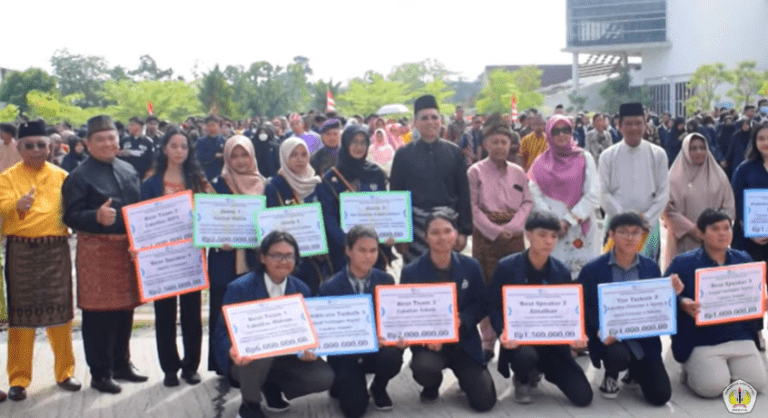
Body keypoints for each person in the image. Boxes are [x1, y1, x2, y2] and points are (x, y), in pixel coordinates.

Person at [62, 115, 147, 394]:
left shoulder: (127, 168)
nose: (108, 143)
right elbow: (70, 216)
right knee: (99, 315)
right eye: (100, 139)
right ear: (87, 143)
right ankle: (100, 373)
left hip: (126, 249)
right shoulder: (78, 176)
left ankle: (122, 364)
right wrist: (95, 217)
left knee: (125, 310)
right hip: (97, 251)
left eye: (112, 138)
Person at [0, 120, 81, 401]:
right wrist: (15, 205)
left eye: (41, 145)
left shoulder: (62, 176)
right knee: (21, 319)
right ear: (19, 148)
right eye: (30, 145)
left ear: (50, 147)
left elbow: (74, 208)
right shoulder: (8, 177)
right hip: (21, 250)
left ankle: (65, 372)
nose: (36, 150)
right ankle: (19, 378)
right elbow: (2, 204)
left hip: (55, 250)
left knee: (61, 314)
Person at [213, 231, 335, 418]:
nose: (284, 261)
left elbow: (308, 330)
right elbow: (221, 333)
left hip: (286, 358)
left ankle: (271, 387)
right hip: (248, 362)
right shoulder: (240, 288)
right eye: (277, 255)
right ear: (262, 257)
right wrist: (231, 350)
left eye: (289, 256)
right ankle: (250, 405)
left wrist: (308, 348)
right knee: (259, 352)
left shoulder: (301, 289)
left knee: (323, 377)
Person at [489, 211, 592, 406]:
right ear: (528, 235)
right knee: (525, 356)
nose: (548, 241)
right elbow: (493, 306)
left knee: (583, 397)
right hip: (521, 344)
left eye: (553, 236)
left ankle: (543, 370)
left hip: (553, 344)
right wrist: (502, 332)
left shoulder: (561, 271)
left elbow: (568, 312)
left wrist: (577, 335)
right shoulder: (506, 267)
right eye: (542, 235)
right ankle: (523, 377)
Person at [578, 212, 682, 405]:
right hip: (610, 341)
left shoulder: (650, 267)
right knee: (617, 355)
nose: (630, 237)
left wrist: (672, 293)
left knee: (660, 396)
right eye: (623, 232)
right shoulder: (592, 270)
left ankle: (634, 372)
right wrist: (598, 331)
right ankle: (611, 375)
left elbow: (657, 306)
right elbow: (585, 308)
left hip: (642, 340)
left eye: (635, 233)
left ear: (643, 235)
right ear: (611, 234)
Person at [665, 209, 768, 398]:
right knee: (711, 388)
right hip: (701, 338)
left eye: (726, 228)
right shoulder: (683, 263)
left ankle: (724, 370)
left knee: (756, 384)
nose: (722, 233)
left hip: (738, 335)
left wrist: (760, 302)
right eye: (715, 229)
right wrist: (681, 301)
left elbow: (754, 294)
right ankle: (689, 371)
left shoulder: (743, 259)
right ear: (700, 233)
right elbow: (662, 295)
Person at [401, 211, 496, 412]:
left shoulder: (471, 266)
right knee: (424, 368)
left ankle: (465, 378)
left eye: (447, 231)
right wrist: (425, 337)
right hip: (431, 346)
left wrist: (462, 319)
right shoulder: (411, 271)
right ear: (426, 237)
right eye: (435, 232)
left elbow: (481, 303)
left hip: (464, 342)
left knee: (484, 402)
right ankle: (432, 385)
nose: (442, 237)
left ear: (456, 234)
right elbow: (408, 313)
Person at [141, 127, 212, 387]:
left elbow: (212, 212)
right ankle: (170, 368)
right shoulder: (151, 183)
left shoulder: (198, 181)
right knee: (165, 314)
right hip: (161, 259)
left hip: (191, 256)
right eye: (174, 146)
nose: (179, 151)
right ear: (164, 149)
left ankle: (191, 367)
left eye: (184, 146)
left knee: (192, 314)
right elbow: (143, 221)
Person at [318, 226, 404, 417]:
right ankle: (340, 383)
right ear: (348, 250)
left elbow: (392, 318)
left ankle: (378, 387)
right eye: (362, 250)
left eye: (373, 250)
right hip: (346, 356)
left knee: (393, 357)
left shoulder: (386, 280)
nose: (368, 256)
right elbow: (329, 334)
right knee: (354, 410)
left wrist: (396, 338)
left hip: (377, 350)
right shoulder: (329, 288)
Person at [467, 113, 532, 359]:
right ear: (485, 144)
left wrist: (514, 227)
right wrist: (494, 230)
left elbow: (527, 202)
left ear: (510, 144)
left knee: (514, 285)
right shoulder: (475, 172)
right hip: (485, 237)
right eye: (494, 142)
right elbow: (472, 207)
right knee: (486, 286)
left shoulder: (518, 172)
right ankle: (487, 341)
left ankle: (514, 334)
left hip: (514, 235)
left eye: (504, 142)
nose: (500, 146)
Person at [390, 95, 472, 263]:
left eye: (434, 117)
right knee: (416, 275)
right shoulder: (403, 154)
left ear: (441, 121)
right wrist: (400, 235)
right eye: (424, 118)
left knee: (447, 273)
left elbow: (463, 193)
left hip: (448, 226)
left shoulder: (454, 152)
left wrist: (464, 231)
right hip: (415, 229)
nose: (430, 122)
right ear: (415, 122)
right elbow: (396, 195)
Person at [207, 135, 265, 373]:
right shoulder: (216, 185)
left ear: (253, 156)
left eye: (245, 155)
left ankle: (251, 366)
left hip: (254, 260)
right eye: (234, 156)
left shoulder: (264, 185)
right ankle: (223, 366)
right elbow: (207, 223)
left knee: (250, 312)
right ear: (227, 158)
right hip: (224, 258)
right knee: (222, 312)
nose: (240, 161)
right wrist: (217, 238)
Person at [529, 115, 600, 279]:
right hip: (552, 229)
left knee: (585, 277)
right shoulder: (541, 162)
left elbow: (594, 193)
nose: (561, 135)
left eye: (566, 130)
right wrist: (553, 222)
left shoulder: (584, 157)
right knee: (555, 277)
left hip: (580, 224)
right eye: (555, 131)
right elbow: (534, 193)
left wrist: (569, 220)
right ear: (548, 134)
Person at [599, 103, 669, 261]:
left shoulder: (658, 154)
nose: (634, 128)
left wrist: (646, 219)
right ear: (619, 126)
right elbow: (603, 192)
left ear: (645, 125)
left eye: (638, 123)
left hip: (647, 226)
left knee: (646, 270)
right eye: (628, 124)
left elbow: (663, 192)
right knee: (613, 269)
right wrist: (624, 221)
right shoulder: (607, 156)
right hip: (616, 225)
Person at [264, 137, 333, 293]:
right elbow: (270, 225)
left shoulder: (317, 184)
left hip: (316, 259)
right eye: (293, 155)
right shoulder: (274, 186)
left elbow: (328, 218)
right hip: (286, 261)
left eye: (303, 154)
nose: (300, 159)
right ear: (284, 157)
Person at [319, 125, 391, 275]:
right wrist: (348, 243)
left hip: (373, 249)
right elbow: (328, 216)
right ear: (346, 143)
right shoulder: (331, 178)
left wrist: (388, 235)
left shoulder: (376, 173)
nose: (359, 147)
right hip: (345, 251)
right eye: (354, 142)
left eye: (363, 142)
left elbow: (384, 209)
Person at [664, 133, 735, 264]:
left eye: (702, 148)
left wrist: (714, 230)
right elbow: (667, 209)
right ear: (685, 150)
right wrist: (693, 229)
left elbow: (728, 206)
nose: (699, 152)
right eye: (693, 148)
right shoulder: (673, 178)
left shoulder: (719, 176)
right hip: (683, 238)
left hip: (715, 239)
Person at [731, 123, 768, 350]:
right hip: (751, 238)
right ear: (754, 142)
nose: (766, 143)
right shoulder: (745, 168)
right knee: (754, 286)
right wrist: (749, 230)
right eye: (761, 138)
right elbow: (736, 199)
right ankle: (756, 331)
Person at [196, 115, 226, 181]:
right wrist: (214, 155)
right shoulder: (201, 141)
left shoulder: (223, 140)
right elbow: (199, 157)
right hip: (207, 173)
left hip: (222, 173)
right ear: (206, 126)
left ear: (218, 125)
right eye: (209, 125)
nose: (211, 128)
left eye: (213, 125)